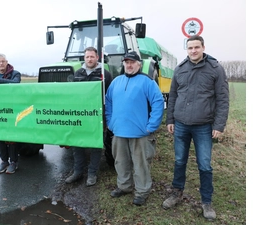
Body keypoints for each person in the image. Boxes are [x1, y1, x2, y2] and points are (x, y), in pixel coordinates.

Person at [162, 35, 229, 220]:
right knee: (179, 161)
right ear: (187, 49)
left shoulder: (215, 69)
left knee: (205, 165)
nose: (193, 51)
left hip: (204, 126)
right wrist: (170, 120)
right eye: (190, 48)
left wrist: (219, 125)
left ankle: (206, 202)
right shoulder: (180, 69)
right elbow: (173, 96)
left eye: (196, 47)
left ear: (203, 47)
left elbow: (223, 99)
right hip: (181, 124)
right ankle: (176, 192)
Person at [105, 51, 164, 206]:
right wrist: (111, 122)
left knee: (141, 163)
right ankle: (124, 187)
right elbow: (108, 102)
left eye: (132, 62)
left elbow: (158, 103)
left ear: (139, 64)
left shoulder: (147, 82)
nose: (129, 65)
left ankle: (142, 191)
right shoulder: (116, 82)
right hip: (119, 132)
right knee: (120, 162)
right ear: (123, 64)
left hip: (140, 133)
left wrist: (151, 126)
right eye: (126, 62)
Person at [65, 46, 113, 187]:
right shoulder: (78, 73)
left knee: (95, 144)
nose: (89, 59)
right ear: (84, 58)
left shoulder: (105, 74)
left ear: (97, 57)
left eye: (92, 57)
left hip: (97, 115)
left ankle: (92, 173)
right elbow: (73, 95)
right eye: (87, 57)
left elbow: (109, 97)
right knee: (77, 144)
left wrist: (106, 118)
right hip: (80, 114)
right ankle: (78, 171)